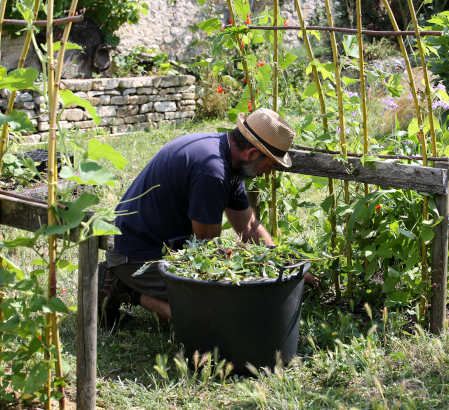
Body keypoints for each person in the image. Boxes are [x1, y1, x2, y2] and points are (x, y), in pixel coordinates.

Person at [98, 107, 317, 326]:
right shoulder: (212, 172)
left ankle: (132, 284)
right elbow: (204, 250)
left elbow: (248, 226)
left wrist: (286, 267)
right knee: (214, 311)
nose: (268, 174)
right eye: (269, 166)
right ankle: (124, 286)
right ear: (251, 154)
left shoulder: (225, 156)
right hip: (137, 255)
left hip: (158, 247)